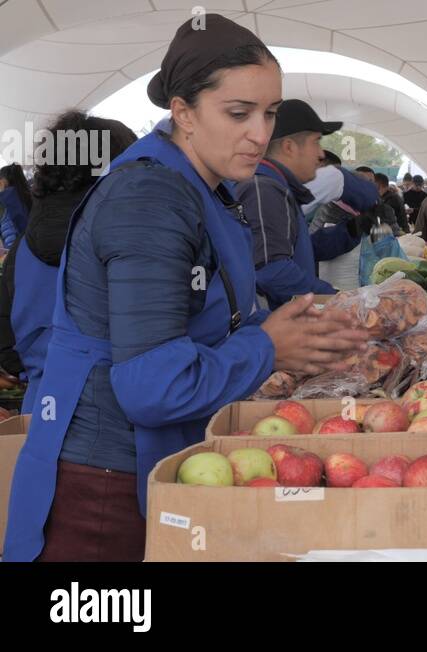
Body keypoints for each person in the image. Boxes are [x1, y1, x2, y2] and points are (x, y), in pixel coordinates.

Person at [2, 14, 369, 562]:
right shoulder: (150, 199)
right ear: (183, 113)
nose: (261, 133)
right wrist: (269, 346)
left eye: (269, 113)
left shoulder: (199, 186)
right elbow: (153, 386)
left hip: (146, 465)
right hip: (104, 483)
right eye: (238, 113)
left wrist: (293, 332)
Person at [0, 111, 136, 414]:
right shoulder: (128, 238)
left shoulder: (24, 244)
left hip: (44, 409)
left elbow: (6, 336)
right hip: (118, 414)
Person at [233, 99, 344, 309]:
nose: (321, 154)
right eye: (316, 142)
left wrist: (348, 233)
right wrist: (336, 299)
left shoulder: (279, 189)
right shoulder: (264, 190)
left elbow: (294, 252)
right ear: (289, 147)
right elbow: (271, 270)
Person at [0, 164, 32, 249]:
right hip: (31, 245)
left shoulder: (4, 198)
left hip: (13, 248)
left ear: (3, 181)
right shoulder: (29, 195)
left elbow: (8, 231)